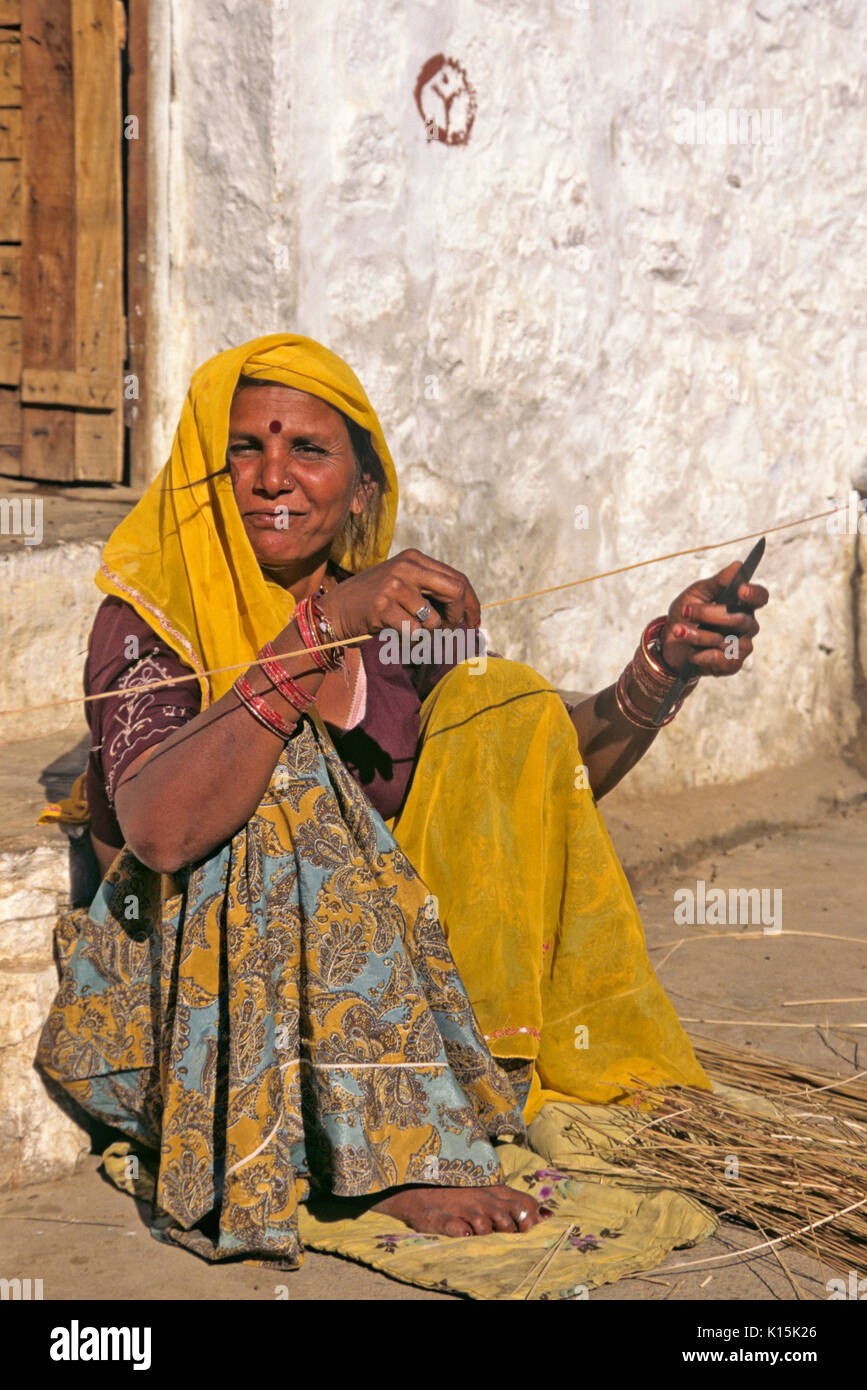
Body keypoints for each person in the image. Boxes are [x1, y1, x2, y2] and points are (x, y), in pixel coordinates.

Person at [37, 334, 767, 1268]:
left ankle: (441, 1087)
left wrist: (657, 671)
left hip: (358, 1004)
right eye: (243, 453)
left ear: (361, 489)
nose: (272, 477)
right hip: (182, 1011)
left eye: (308, 450)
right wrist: (312, 638)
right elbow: (163, 830)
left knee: (500, 698)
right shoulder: (150, 615)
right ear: (203, 479)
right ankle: (395, 1150)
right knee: (283, 770)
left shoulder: (389, 622)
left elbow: (527, 773)